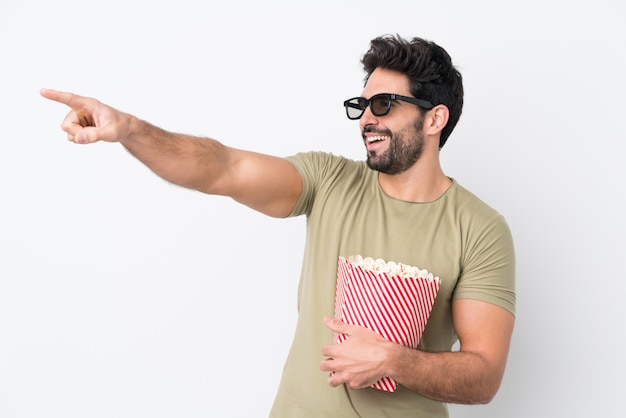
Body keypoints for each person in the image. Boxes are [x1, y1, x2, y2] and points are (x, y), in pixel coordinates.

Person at [41, 34, 515, 418]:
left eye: (385, 104)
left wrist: (396, 360)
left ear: (435, 118)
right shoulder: (329, 181)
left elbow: (484, 374)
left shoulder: (478, 229)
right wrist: (129, 129)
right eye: (362, 105)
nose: (366, 119)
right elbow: (221, 168)